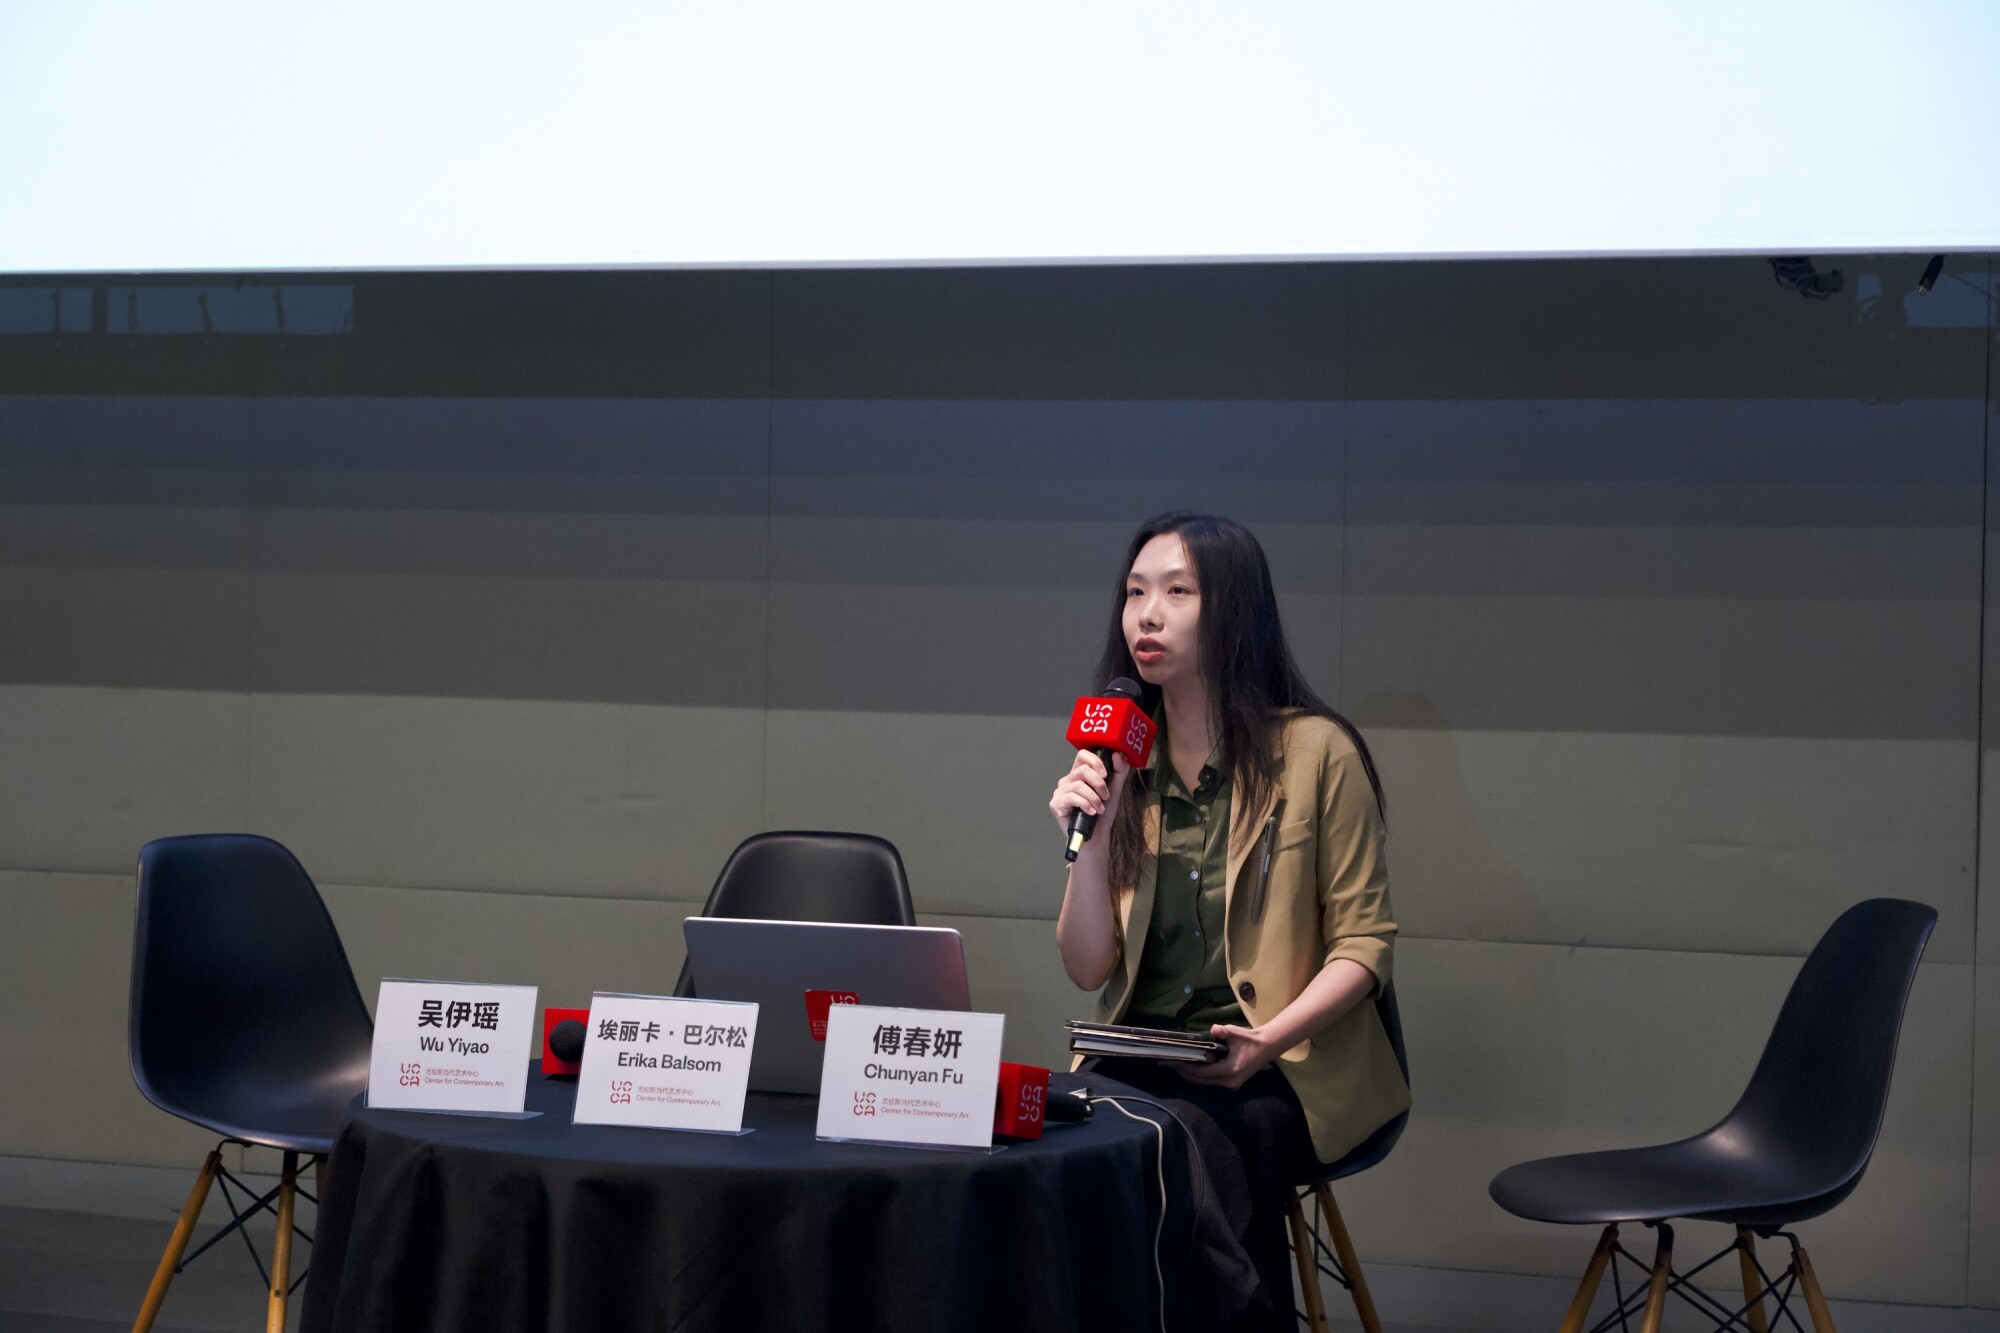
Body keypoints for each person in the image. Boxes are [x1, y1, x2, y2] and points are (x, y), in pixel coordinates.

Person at [1049, 512, 1409, 1332]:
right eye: (1135, 592)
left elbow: (1365, 946)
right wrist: (1090, 843)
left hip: (1283, 1062)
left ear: (1234, 611)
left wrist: (1267, 1040)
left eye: (1178, 592)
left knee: (1201, 1137)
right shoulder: (1119, 763)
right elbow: (1087, 965)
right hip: (1142, 1054)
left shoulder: (1317, 753)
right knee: (1060, 1129)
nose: (1147, 614)